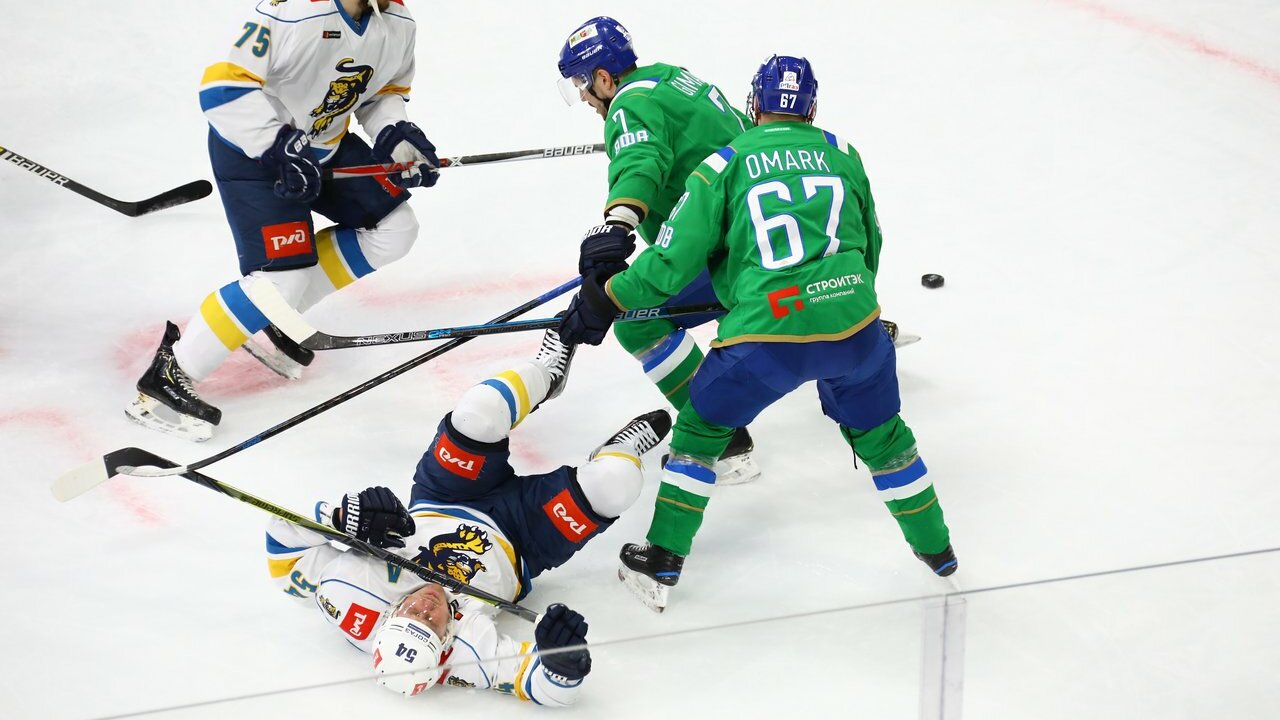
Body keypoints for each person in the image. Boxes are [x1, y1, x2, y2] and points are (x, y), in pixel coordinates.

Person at [559, 56, 957, 612]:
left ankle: (664, 559)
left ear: (754, 104)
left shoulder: (724, 164)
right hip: (856, 327)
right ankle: (939, 552)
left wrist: (608, 298)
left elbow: (670, 263)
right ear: (811, 108)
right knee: (885, 439)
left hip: (768, 334)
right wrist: (842, 299)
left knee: (700, 430)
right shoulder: (844, 152)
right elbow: (871, 243)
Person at [264, 325, 672, 701]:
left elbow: (283, 551)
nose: (425, 606)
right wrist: (563, 663)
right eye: (431, 623)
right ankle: (617, 451)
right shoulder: (466, 655)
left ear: (389, 616)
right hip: (525, 540)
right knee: (615, 484)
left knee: (479, 412)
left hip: (444, 495)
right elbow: (543, 686)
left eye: (411, 614)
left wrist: (340, 519)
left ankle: (547, 374)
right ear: (446, 642)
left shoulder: (349, 596)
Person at [128, 0, 439, 441]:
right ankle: (169, 374)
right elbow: (222, 89)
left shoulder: (398, 22)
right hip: (255, 155)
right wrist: (275, 145)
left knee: (396, 230)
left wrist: (394, 136)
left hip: (325, 147)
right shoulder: (294, 13)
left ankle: (275, 318)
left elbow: (382, 92)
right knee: (281, 280)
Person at [555, 16, 762, 484]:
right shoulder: (673, 78)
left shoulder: (628, 105)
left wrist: (616, 227)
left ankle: (720, 440)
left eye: (582, 84)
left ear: (603, 78)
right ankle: (850, 326)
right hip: (773, 238)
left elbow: (640, 162)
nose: (583, 97)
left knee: (635, 318)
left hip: (730, 252)